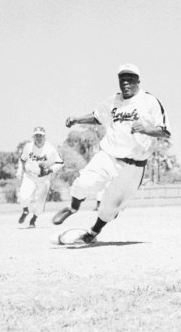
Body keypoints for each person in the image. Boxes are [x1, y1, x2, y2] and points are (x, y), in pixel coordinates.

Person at [52, 63, 171, 244]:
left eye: (130, 79)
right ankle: (73, 207)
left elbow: (165, 132)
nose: (125, 83)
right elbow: (98, 116)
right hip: (108, 155)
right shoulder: (112, 101)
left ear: (138, 81)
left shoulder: (150, 102)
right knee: (83, 183)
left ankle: (93, 232)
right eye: (122, 79)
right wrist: (77, 119)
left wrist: (147, 129)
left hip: (133, 166)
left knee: (110, 208)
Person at [17, 127, 64, 228]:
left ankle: (33, 219)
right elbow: (22, 159)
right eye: (36, 135)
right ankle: (25, 211)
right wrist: (19, 170)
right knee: (23, 195)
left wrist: (50, 170)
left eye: (41, 135)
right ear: (33, 137)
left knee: (39, 204)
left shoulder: (50, 148)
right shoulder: (28, 147)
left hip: (44, 178)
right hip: (30, 175)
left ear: (44, 136)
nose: (39, 138)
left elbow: (60, 162)